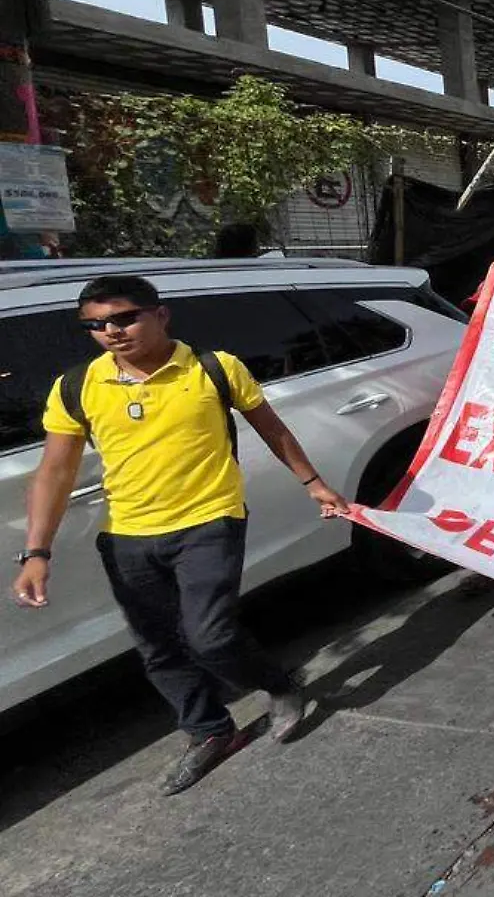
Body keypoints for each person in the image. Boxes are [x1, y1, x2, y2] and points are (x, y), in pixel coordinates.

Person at [13, 276, 348, 795]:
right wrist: (37, 551)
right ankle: (210, 732)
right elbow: (54, 470)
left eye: (124, 318)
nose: (111, 332)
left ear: (160, 314)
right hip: (126, 534)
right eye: (96, 325)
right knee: (158, 648)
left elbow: (272, 428)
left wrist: (314, 483)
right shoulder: (78, 385)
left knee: (209, 636)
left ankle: (279, 685)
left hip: (209, 519)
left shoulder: (214, 367)